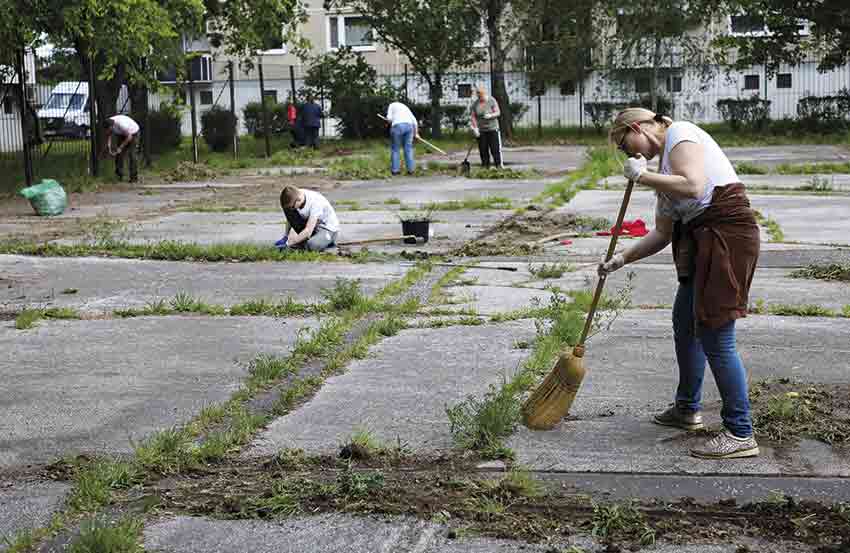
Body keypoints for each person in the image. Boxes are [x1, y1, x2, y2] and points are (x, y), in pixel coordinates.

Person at [602, 107, 761, 460]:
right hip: (703, 239)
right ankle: (687, 409)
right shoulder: (663, 171)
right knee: (684, 324)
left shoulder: (681, 134)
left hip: (727, 237)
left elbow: (694, 186)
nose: (629, 154)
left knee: (715, 334)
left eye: (625, 144)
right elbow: (662, 233)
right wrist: (622, 258)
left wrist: (643, 178)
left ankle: (740, 432)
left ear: (637, 126)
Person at [277, 185, 340, 252]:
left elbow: (308, 231)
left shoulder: (315, 202)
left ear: (298, 200)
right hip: (312, 226)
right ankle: (305, 240)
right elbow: (290, 219)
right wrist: (286, 237)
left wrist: (289, 243)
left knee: (312, 245)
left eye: (292, 207)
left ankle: (326, 241)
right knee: (288, 209)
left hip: (328, 229)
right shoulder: (296, 194)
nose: (292, 208)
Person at [469, 86, 502, 169]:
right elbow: (473, 117)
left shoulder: (491, 100)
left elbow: (498, 112)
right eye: (478, 96)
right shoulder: (475, 104)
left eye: (481, 95)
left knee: (495, 149)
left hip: (493, 129)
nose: (480, 97)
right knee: (483, 149)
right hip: (481, 130)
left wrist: (491, 115)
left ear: (485, 93)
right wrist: (475, 128)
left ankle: (498, 166)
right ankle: (485, 166)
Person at [102, 114, 140, 182]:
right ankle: (119, 176)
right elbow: (109, 135)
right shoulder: (108, 122)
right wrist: (108, 146)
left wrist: (120, 147)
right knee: (119, 154)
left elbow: (129, 137)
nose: (107, 131)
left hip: (133, 133)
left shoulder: (121, 124)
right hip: (122, 134)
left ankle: (134, 177)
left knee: (132, 155)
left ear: (111, 126)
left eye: (108, 129)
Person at [385, 100, 419, 176]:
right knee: (408, 149)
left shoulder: (391, 105)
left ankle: (395, 171)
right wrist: (416, 133)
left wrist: (389, 121)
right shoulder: (405, 107)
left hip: (398, 126)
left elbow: (389, 118)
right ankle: (411, 170)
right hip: (409, 126)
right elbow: (415, 121)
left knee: (395, 149)